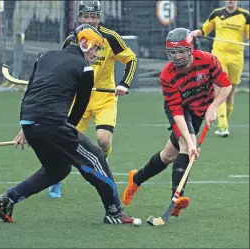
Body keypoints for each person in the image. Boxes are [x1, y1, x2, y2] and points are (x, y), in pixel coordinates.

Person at [0, 24, 135, 225]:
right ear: (84, 43)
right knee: (96, 158)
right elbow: (80, 107)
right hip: (52, 123)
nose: (96, 54)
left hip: (29, 119)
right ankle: (115, 211)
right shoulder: (86, 68)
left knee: (58, 170)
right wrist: (67, 131)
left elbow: (30, 93)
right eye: (95, 48)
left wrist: (26, 126)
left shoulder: (44, 57)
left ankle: (10, 198)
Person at [122, 28, 232, 217]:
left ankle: (136, 178)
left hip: (201, 108)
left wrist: (213, 107)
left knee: (168, 156)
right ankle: (177, 198)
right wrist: (191, 142)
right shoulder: (167, 75)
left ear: (190, 49)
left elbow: (226, 85)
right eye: (173, 52)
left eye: (181, 51)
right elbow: (178, 113)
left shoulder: (207, 60)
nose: (177, 56)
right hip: (180, 110)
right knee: (185, 146)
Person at [48, 0, 138, 198]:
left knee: (103, 141)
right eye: (86, 16)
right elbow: (63, 67)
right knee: (66, 143)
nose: (90, 20)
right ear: (79, 18)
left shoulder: (110, 38)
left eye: (94, 16)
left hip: (104, 98)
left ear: (99, 18)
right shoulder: (72, 40)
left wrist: (124, 83)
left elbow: (131, 59)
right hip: (78, 100)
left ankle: (100, 160)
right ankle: (56, 179)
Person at [191, 0, 250, 137]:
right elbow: (204, 30)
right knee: (220, 89)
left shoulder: (245, 15)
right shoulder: (216, 14)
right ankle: (223, 126)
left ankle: (224, 124)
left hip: (236, 58)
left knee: (230, 93)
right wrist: (195, 33)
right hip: (219, 56)